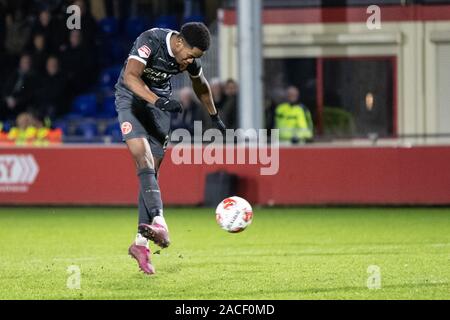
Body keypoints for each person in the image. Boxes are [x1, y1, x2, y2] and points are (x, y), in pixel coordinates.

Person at [114, 22, 226, 275]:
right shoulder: (150, 40)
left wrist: (215, 116)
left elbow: (201, 85)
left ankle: (140, 244)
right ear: (178, 43)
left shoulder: (188, 57)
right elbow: (131, 76)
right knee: (142, 157)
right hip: (131, 99)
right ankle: (160, 221)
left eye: (194, 59)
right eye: (189, 55)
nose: (188, 62)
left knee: (151, 172)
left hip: (159, 107)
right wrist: (158, 100)